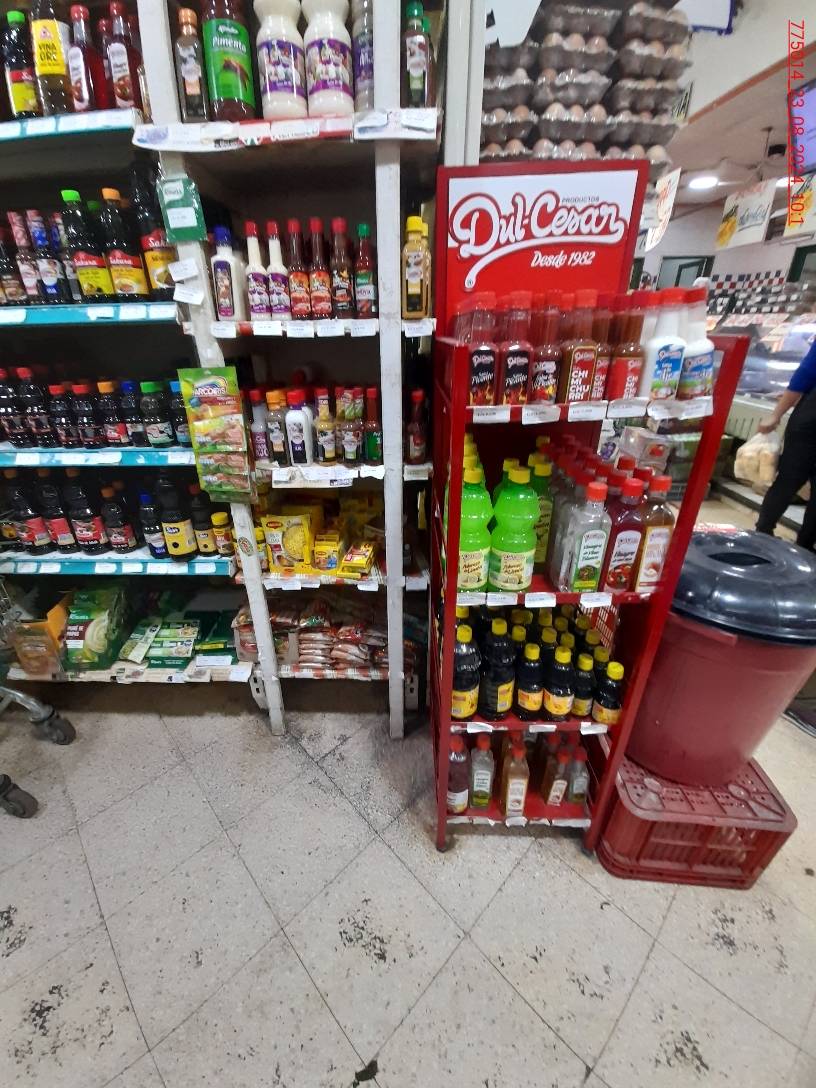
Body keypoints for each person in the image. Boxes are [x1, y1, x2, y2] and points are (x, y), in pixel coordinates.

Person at [755, 335, 816, 549]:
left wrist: (776, 414)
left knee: (789, 477)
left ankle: (762, 533)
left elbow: (806, 373)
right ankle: (804, 547)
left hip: (811, 412)